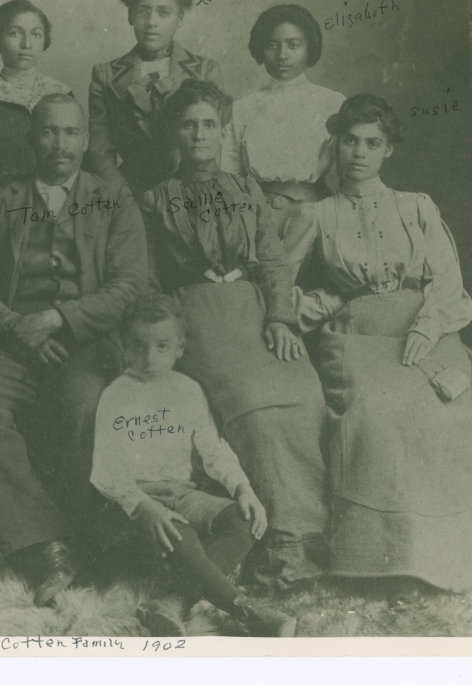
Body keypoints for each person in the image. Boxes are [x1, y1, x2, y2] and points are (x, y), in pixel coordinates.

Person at [283, 94, 472, 603]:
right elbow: (277, 283)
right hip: (358, 337)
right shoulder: (317, 215)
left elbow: (447, 279)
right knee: (378, 415)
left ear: (388, 150)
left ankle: (448, 549)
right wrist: (325, 302)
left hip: (425, 330)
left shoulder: (416, 207)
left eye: (372, 143)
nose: (359, 153)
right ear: (335, 144)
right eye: (350, 141)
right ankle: (392, 558)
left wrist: (427, 328)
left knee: (451, 407)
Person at [0, 94, 147, 607]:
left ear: (85, 139)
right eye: (48, 132)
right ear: (30, 138)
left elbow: (129, 286)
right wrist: (18, 326)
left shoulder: (113, 198)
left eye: (71, 133)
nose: (60, 144)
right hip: (14, 343)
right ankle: (43, 544)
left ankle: (91, 542)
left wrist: (59, 319)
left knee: (87, 407)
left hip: (84, 343)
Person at [142, 79, 330, 591]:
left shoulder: (246, 190)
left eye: (208, 124)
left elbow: (271, 261)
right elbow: (150, 279)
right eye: (188, 125)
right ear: (174, 135)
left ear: (223, 130)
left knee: (304, 393)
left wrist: (280, 318)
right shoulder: (156, 198)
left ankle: (309, 536)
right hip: (196, 316)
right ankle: (279, 541)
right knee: (250, 404)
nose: (199, 135)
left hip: (254, 310)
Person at [92, 293, 297, 637]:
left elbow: (214, 451)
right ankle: (249, 612)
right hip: (134, 504)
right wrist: (143, 506)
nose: (149, 358)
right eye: (138, 347)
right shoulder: (116, 395)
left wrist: (242, 488)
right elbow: (105, 471)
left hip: (184, 495)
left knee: (244, 519)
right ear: (124, 347)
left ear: (180, 348)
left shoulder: (187, 390)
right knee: (178, 529)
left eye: (161, 346)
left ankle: (173, 602)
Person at [87, 0, 223, 196]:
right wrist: (123, 196)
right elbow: (100, 152)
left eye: (163, 12)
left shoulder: (205, 71)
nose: (152, 22)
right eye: (143, 12)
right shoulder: (106, 75)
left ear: (179, 18)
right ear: (130, 15)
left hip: (192, 191)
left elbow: (216, 145)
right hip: (131, 190)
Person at [222, 4, 345, 241]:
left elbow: (347, 171)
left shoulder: (332, 103)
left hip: (317, 215)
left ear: (309, 48)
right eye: (272, 45)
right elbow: (230, 174)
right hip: (256, 217)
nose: (282, 55)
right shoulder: (242, 108)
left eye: (293, 45)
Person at [0, 0, 73, 242]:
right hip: (2, 215)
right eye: (15, 33)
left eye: (36, 34)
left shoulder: (61, 95)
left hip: (59, 212)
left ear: (44, 41)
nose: (26, 44)